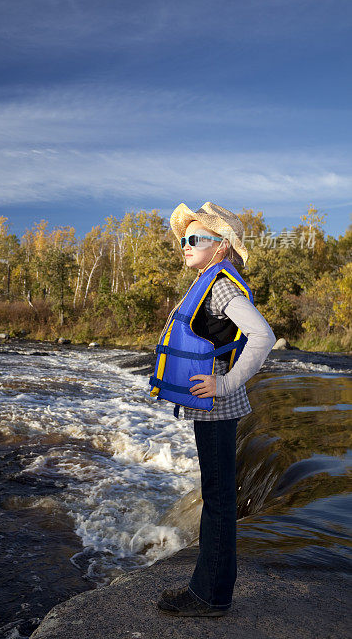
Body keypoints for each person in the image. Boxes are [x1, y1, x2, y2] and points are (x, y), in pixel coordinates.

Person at [156, 202, 276, 617]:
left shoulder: (221, 286)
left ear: (221, 246)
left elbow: (263, 335)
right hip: (213, 406)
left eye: (194, 239)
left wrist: (224, 382)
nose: (184, 246)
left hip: (216, 404)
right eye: (183, 239)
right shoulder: (210, 282)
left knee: (220, 501)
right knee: (218, 497)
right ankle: (213, 591)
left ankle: (209, 596)